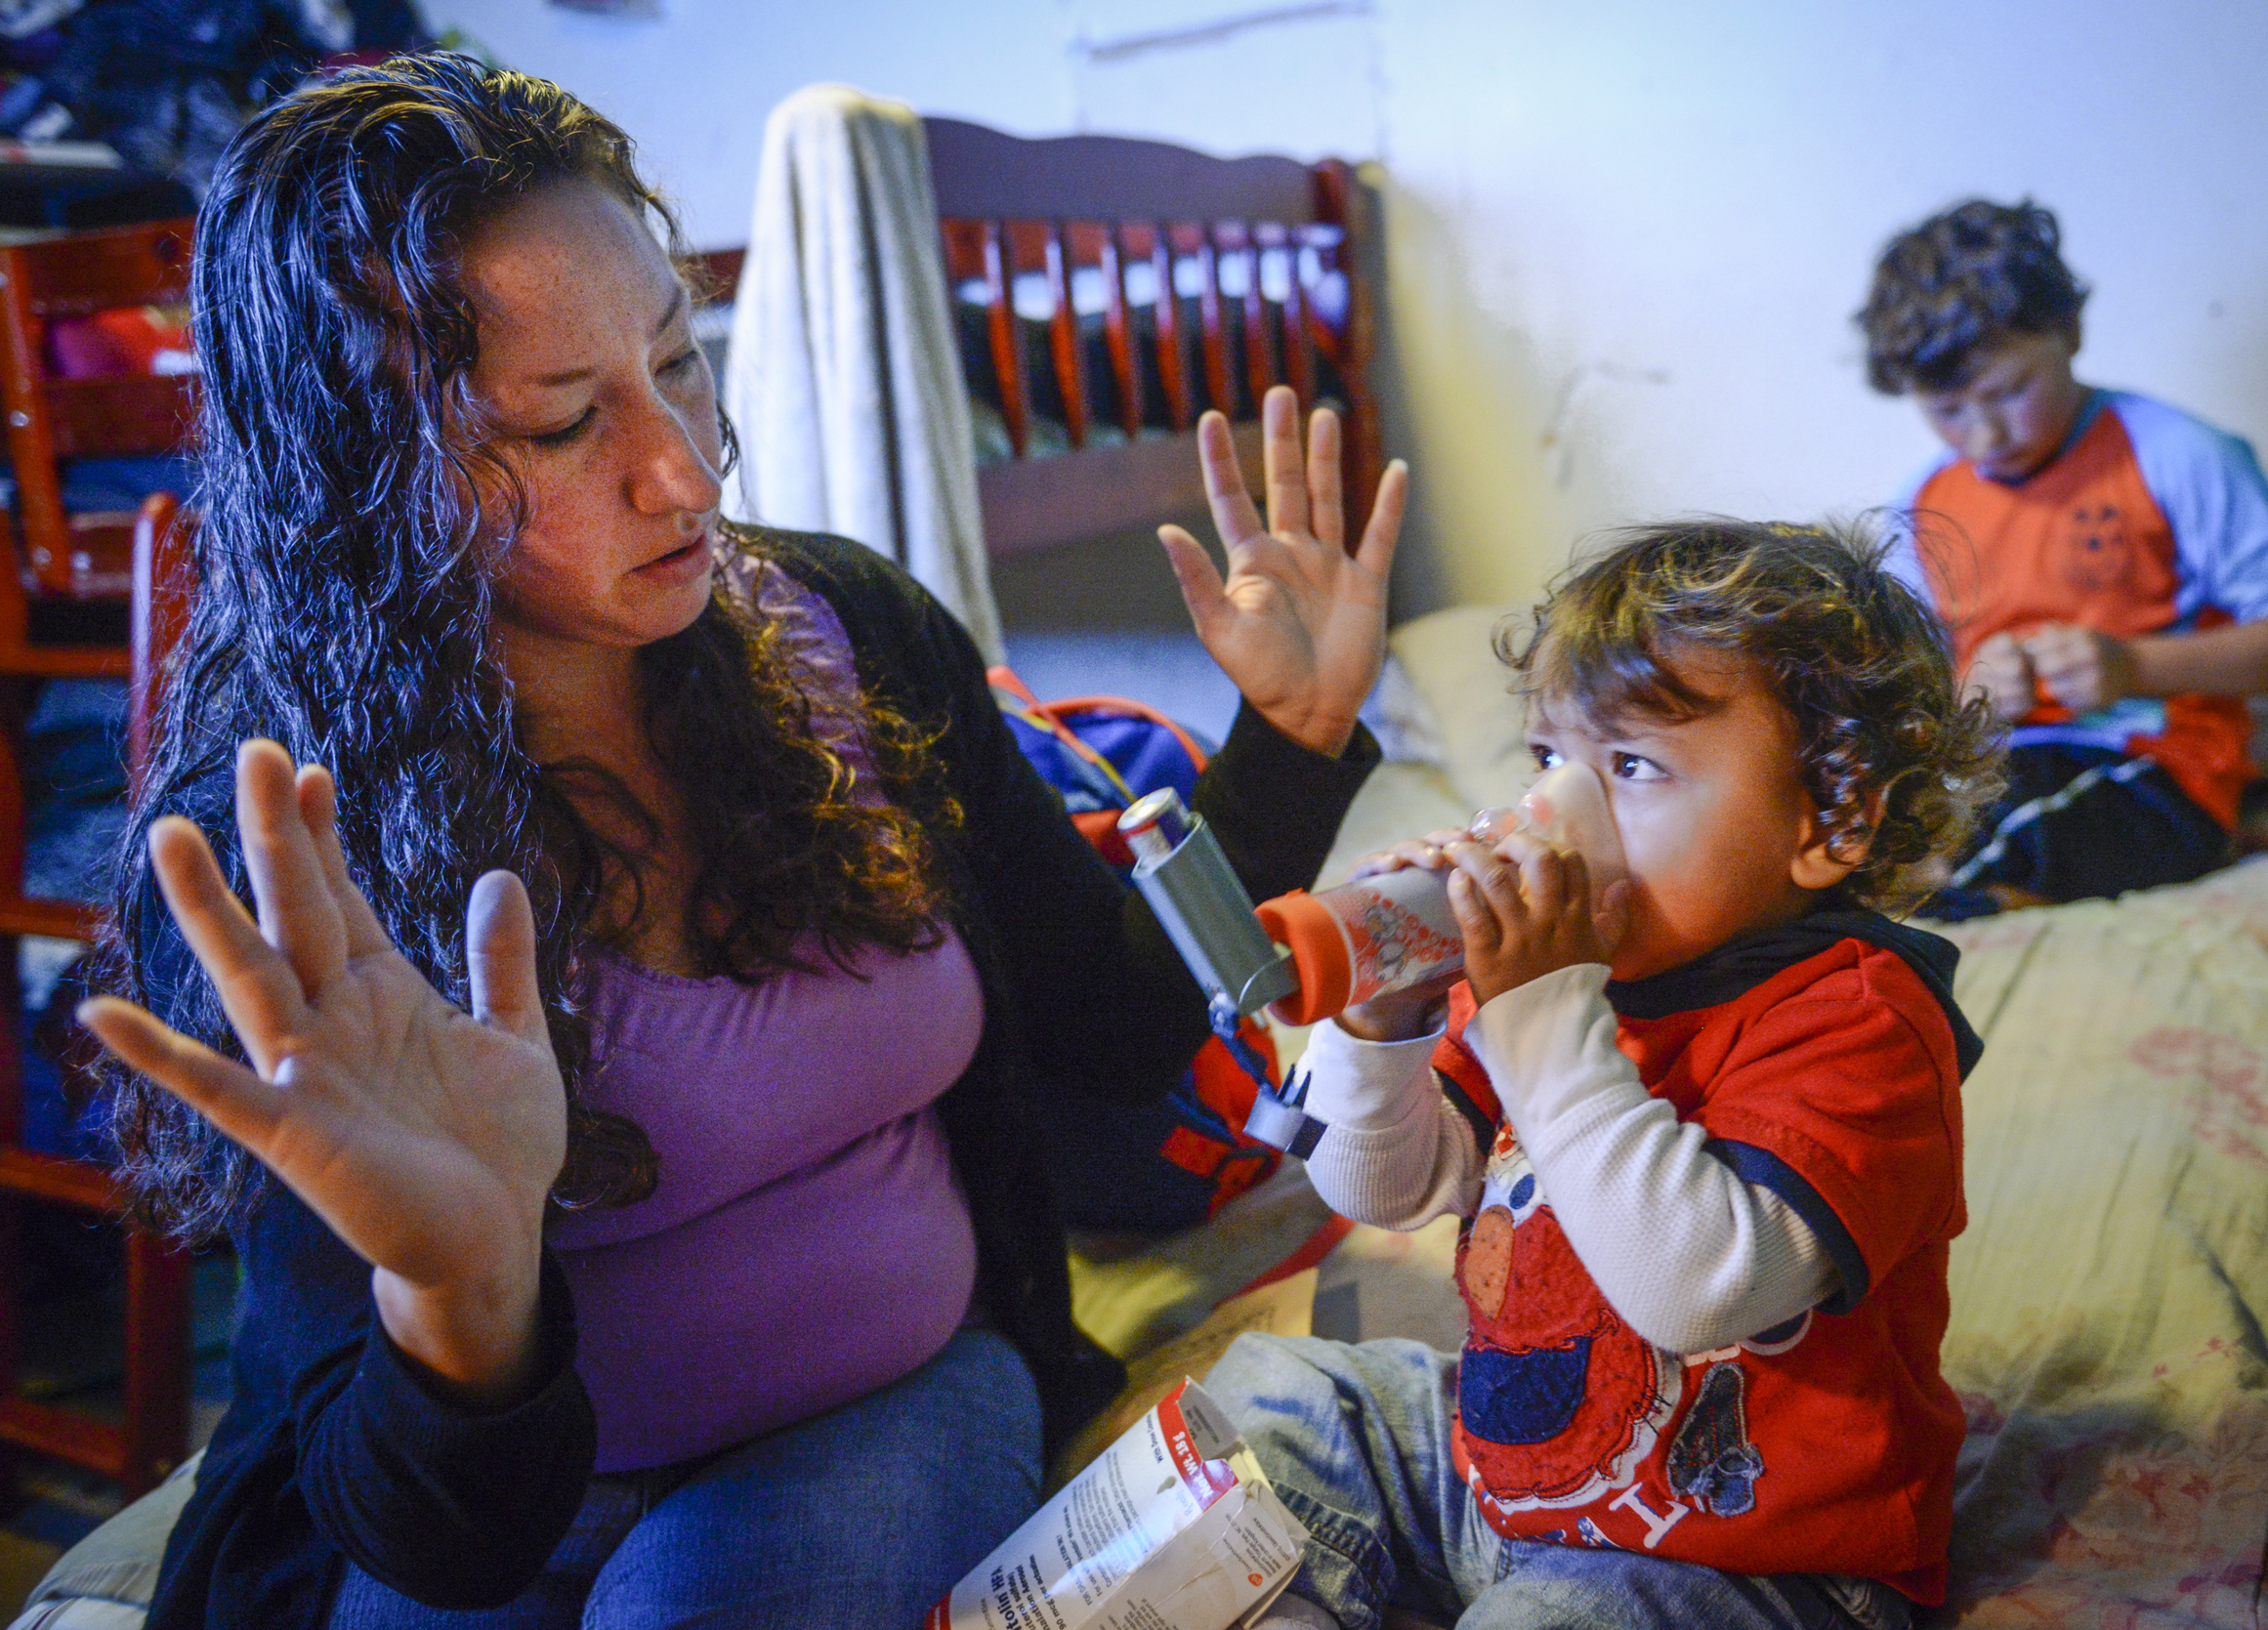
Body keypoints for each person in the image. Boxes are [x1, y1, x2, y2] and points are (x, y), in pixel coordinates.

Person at [77, 53, 1407, 1630]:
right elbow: (422, 1527)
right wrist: (464, 1296)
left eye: (678, 359)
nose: (685, 469)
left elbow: (1115, 1014)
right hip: (481, 1485)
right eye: (569, 424)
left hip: (886, 1411)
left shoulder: (849, 633)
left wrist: (1292, 738)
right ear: (372, 485)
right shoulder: (288, 845)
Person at [1202, 522, 2000, 1630]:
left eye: (1627, 768)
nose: (1553, 821)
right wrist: (1378, 1025)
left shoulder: (1855, 1017)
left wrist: (1541, 1013)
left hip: (1754, 1553)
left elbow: (1699, 1288)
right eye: (1545, 763)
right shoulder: (1551, 988)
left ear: (1831, 817)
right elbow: (1380, 1186)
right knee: (1273, 1400)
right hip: (1514, 1484)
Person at [1857, 198, 2268, 917]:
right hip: (2000, 767)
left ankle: (1960, 902)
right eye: (1948, 409)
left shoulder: (2173, 454)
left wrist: (2135, 667)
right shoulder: (1924, 503)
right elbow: (1912, 691)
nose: (1984, 435)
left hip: (2157, 770)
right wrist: (1968, 691)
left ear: (2071, 331)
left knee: (1963, 853)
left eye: (2009, 391)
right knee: (1862, 828)